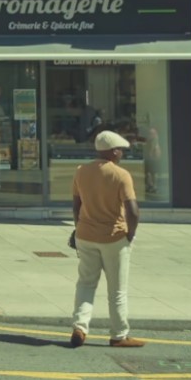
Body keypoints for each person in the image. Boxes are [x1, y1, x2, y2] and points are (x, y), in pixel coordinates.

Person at [68, 130, 142, 348]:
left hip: (86, 235)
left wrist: (78, 227)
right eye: (119, 149)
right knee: (117, 290)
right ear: (113, 152)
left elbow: (76, 204)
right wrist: (130, 234)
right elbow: (133, 211)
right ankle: (119, 334)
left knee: (85, 283)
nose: (121, 153)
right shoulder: (120, 175)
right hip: (114, 237)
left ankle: (80, 327)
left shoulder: (81, 171)